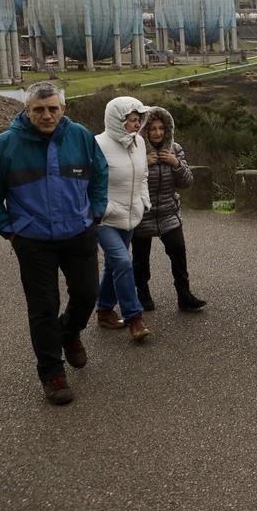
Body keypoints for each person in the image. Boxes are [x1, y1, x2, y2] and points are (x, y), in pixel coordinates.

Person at [0, 82, 108, 405]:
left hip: (78, 233)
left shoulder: (81, 138)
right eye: (39, 109)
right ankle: (52, 374)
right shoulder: (5, 146)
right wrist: (9, 230)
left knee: (88, 294)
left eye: (53, 109)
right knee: (43, 307)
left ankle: (69, 332)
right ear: (26, 110)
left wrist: (95, 212)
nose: (47, 115)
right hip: (32, 241)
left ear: (63, 109)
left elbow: (100, 176)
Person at [132, 106, 207, 312]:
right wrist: (143, 164)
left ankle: (184, 295)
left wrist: (176, 163)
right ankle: (143, 293)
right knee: (140, 259)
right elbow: (126, 181)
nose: (157, 133)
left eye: (161, 128)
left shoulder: (175, 149)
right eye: (152, 129)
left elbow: (187, 181)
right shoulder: (135, 150)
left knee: (178, 253)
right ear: (144, 131)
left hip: (168, 212)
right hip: (142, 214)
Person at [94, 96, 153, 341]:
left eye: (139, 120)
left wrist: (144, 201)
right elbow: (88, 182)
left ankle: (105, 310)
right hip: (105, 219)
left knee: (114, 265)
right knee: (123, 263)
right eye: (131, 120)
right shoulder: (97, 144)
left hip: (131, 216)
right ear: (118, 120)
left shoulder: (139, 142)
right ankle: (135, 318)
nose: (136, 125)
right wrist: (104, 209)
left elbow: (143, 177)